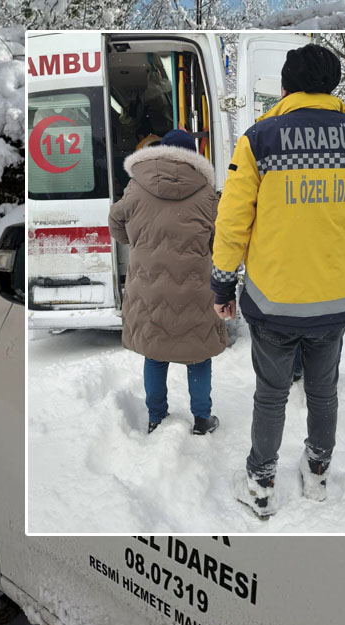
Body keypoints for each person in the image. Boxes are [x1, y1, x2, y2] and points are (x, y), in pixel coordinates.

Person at [212, 44, 345, 519]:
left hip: (272, 301)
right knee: (323, 390)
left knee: (271, 394)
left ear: (285, 86)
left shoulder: (259, 139)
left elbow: (233, 222)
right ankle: (317, 472)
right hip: (335, 302)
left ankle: (260, 483)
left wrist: (222, 285)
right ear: (333, 84)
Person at [109, 129, 227, 437]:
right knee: (198, 352)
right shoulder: (206, 193)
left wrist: (136, 242)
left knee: (155, 352)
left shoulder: (137, 186)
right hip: (195, 287)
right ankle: (202, 419)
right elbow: (220, 237)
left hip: (148, 285)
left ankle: (156, 416)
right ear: (193, 156)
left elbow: (115, 220)